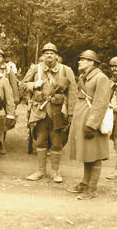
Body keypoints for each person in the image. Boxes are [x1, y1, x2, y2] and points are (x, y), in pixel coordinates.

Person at [22, 43, 76, 183]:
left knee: (57, 142)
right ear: (43, 55)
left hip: (58, 112)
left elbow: (73, 93)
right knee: (40, 141)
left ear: (56, 55)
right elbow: (22, 85)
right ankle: (40, 171)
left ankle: (55, 172)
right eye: (46, 53)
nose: (49, 56)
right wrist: (34, 85)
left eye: (52, 53)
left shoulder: (66, 70)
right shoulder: (36, 69)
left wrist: (70, 113)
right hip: (39, 111)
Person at [67, 50, 111, 200]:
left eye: (83, 60)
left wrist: (92, 125)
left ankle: (91, 189)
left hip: (93, 123)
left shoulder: (101, 78)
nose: (80, 62)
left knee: (95, 155)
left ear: (92, 63)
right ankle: (85, 183)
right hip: (83, 120)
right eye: (81, 60)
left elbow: (101, 103)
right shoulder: (84, 77)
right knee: (87, 154)